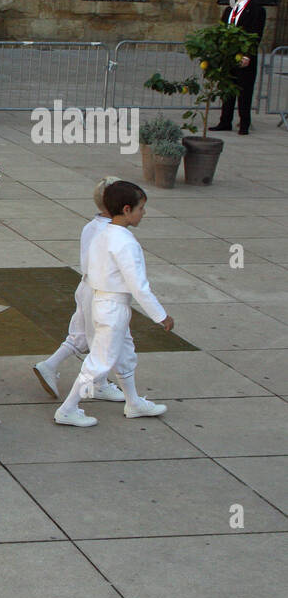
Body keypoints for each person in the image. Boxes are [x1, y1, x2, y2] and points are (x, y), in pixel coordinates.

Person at [55, 181, 173, 427]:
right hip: (113, 306)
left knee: (124, 352)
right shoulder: (126, 242)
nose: (144, 213)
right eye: (141, 208)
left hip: (102, 301)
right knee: (100, 360)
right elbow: (139, 286)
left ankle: (133, 402)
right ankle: (68, 409)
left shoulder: (103, 233)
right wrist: (160, 315)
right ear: (127, 209)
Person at [33, 176, 127, 401]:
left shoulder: (91, 226)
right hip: (99, 292)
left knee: (81, 336)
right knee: (104, 340)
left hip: (85, 286)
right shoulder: (114, 233)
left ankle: (49, 365)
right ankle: (96, 385)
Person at [212, 0, 264, 135]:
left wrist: (247, 55)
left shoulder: (256, 10)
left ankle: (244, 123)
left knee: (244, 90)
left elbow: (256, 34)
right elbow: (222, 30)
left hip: (244, 56)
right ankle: (225, 121)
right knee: (228, 89)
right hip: (229, 55)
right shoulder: (229, 10)